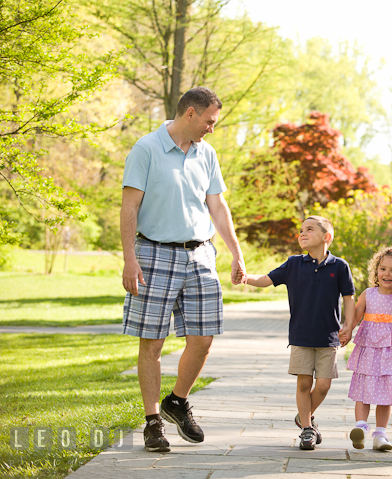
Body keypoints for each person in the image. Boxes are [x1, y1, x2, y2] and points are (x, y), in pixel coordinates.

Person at [120, 87, 247, 453]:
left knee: (204, 337)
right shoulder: (146, 149)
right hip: (154, 254)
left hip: (200, 254)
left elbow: (218, 207)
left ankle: (176, 401)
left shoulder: (207, 153)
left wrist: (235, 253)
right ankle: (152, 422)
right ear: (190, 113)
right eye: (209, 121)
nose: (212, 128)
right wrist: (130, 258)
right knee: (153, 343)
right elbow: (129, 208)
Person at [245, 215, 355, 451]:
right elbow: (266, 279)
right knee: (304, 383)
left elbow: (348, 298)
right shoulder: (293, 264)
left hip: (328, 338)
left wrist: (349, 325)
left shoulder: (340, 266)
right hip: (301, 337)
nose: (302, 233)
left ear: (326, 237)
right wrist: (245, 278)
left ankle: (304, 415)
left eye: (309, 229)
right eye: (301, 230)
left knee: (323, 385)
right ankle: (307, 428)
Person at [339, 246, 392, 452]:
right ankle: (360, 427)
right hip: (369, 352)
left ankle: (380, 434)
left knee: (386, 393)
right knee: (363, 389)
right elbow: (355, 318)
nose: (387, 274)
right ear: (376, 271)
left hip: (391, 354)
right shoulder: (368, 294)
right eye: (383, 269)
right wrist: (346, 332)